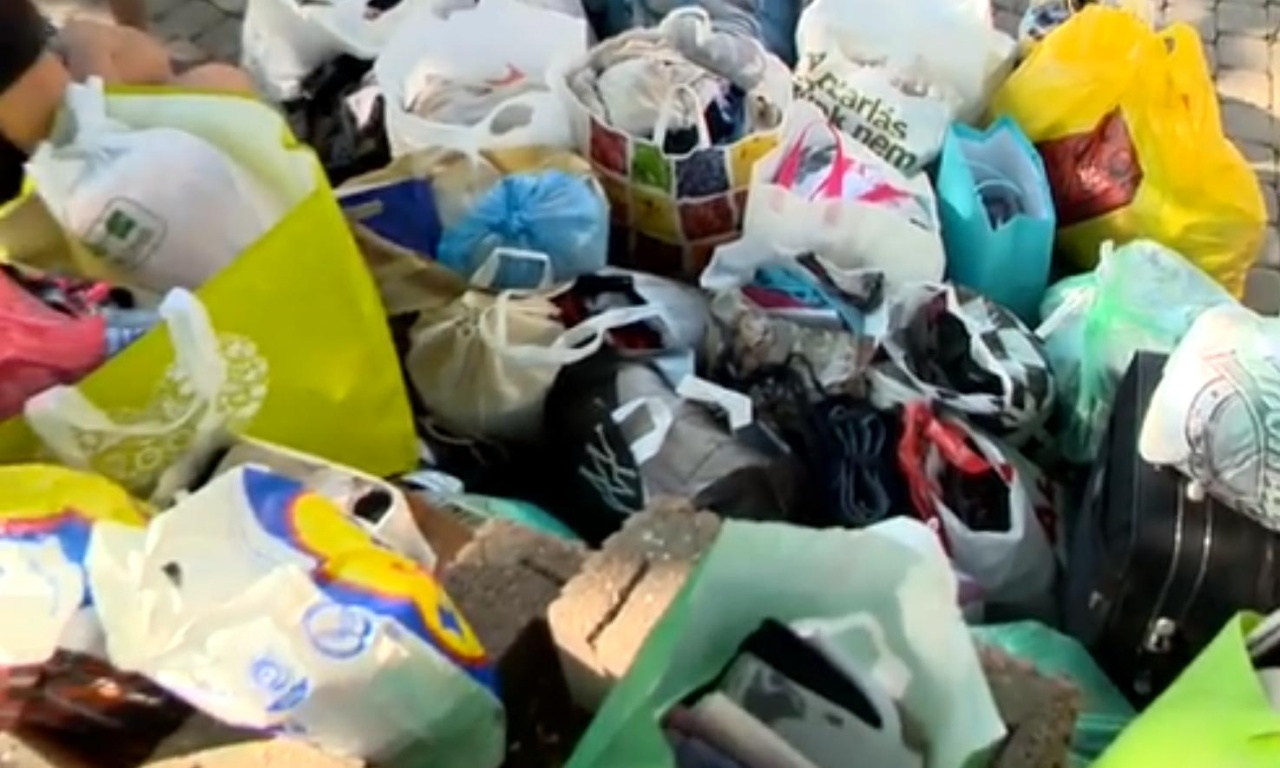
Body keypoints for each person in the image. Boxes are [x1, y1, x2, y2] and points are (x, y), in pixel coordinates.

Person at [0, 0, 255, 203]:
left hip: (54, 127)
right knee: (223, 81)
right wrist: (88, 45)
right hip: (79, 179)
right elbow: (74, 130)